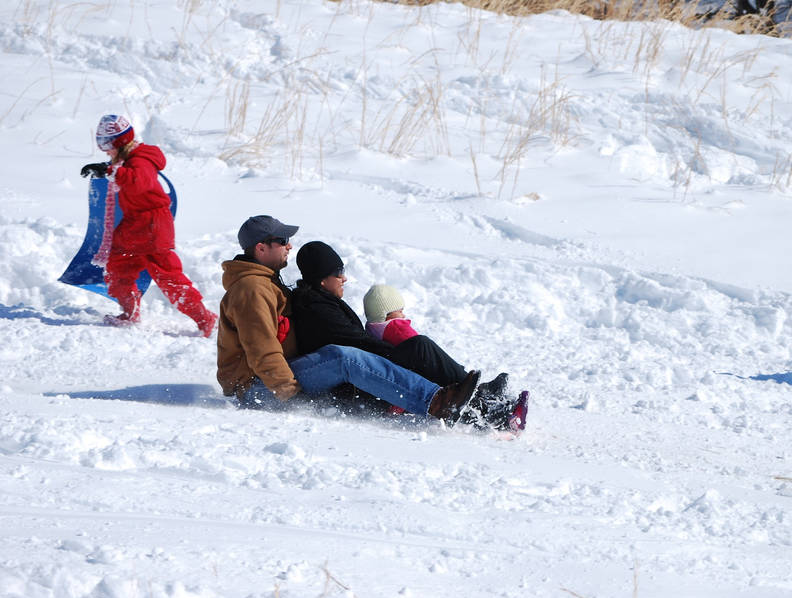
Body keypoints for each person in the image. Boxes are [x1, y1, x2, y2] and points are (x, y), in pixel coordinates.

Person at [216, 215, 479, 424]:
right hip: (257, 390)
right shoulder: (251, 289)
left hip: (272, 380)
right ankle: (436, 402)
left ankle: (459, 397)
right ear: (261, 248)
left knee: (343, 355)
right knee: (343, 357)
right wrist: (292, 397)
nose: (289, 246)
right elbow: (262, 349)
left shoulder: (265, 283)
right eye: (283, 240)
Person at [290, 241, 520, 430]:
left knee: (418, 348)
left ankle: (481, 403)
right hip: (352, 387)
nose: (344, 278)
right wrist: (400, 356)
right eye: (338, 273)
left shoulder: (322, 302)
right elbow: (356, 343)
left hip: (355, 378)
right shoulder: (316, 309)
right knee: (419, 348)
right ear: (322, 279)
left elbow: (355, 340)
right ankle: (485, 406)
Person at [80, 115, 217, 336]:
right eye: (101, 144)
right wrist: (109, 167)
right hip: (136, 224)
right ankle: (129, 312)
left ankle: (205, 318)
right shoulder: (128, 160)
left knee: (168, 276)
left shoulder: (140, 160)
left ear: (120, 142)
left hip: (153, 225)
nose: (105, 150)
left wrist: (110, 171)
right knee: (117, 264)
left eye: (107, 145)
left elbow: (138, 182)